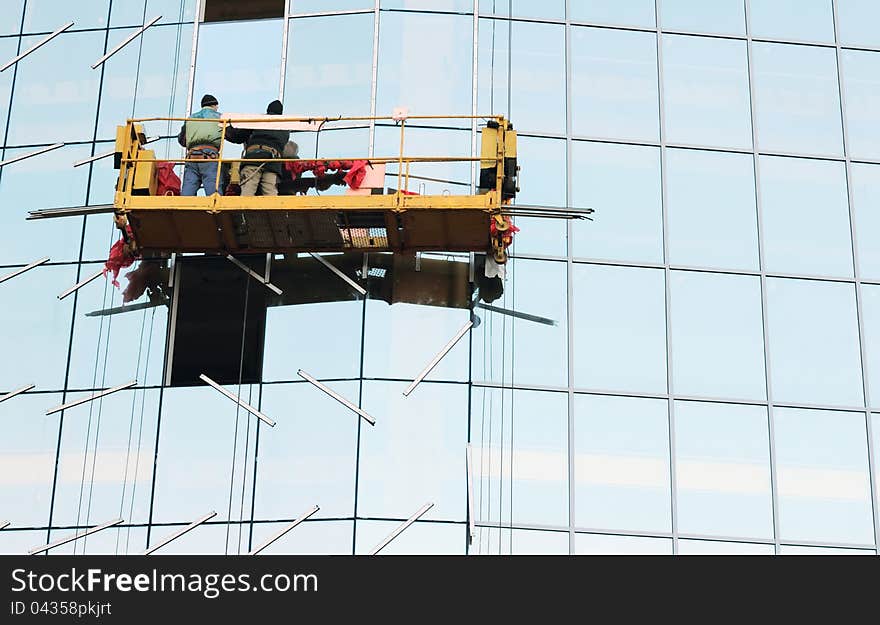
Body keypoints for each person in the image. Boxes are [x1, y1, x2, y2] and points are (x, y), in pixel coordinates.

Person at [226, 99, 290, 196]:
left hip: (254, 157)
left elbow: (238, 137)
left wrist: (226, 129)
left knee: (248, 191)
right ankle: (273, 211)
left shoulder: (259, 120)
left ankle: (243, 211)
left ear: (268, 110)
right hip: (272, 162)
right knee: (270, 193)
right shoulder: (285, 128)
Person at [177, 94, 224, 196]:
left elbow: (182, 139)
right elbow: (232, 135)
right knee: (213, 194)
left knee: (187, 192)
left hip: (192, 156)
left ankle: (183, 209)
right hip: (209, 157)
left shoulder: (191, 118)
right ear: (215, 105)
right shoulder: (220, 117)